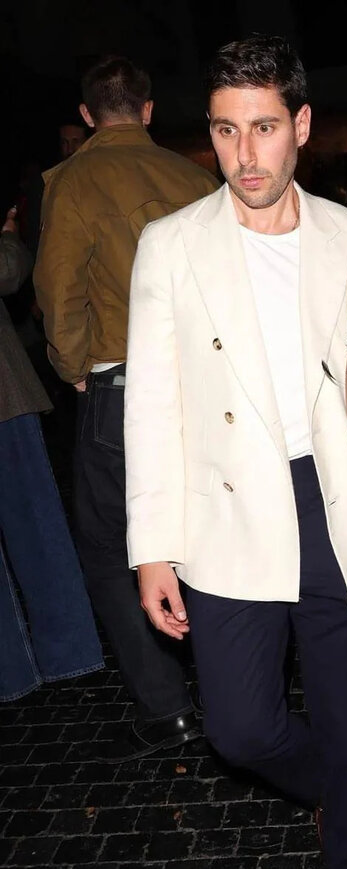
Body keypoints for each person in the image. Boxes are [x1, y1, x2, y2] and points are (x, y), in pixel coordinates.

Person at [122, 34, 347, 869]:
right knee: (240, 729)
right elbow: (151, 405)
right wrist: (153, 547)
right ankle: (340, 790)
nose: (245, 155)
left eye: (263, 129)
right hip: (227, 513)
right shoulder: (171, 245)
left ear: (300, 127)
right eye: (224, 131)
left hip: (339, 501)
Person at [33, 56, 219, 762]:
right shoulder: (194, 177)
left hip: (123, 384)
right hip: (205, 383)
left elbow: (59, 292)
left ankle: (168, 709)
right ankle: (231, 681)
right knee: (203, 528)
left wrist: (74, 370)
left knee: (113, 550)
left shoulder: (74, 181)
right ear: (147, 110)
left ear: (87, 116)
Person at [0, 206, 103, 702]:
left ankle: (15, 673)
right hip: (5, 400)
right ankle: (68, 655)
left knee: (35, 526)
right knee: (36, 526)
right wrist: (8, 236)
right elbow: (6, 271)